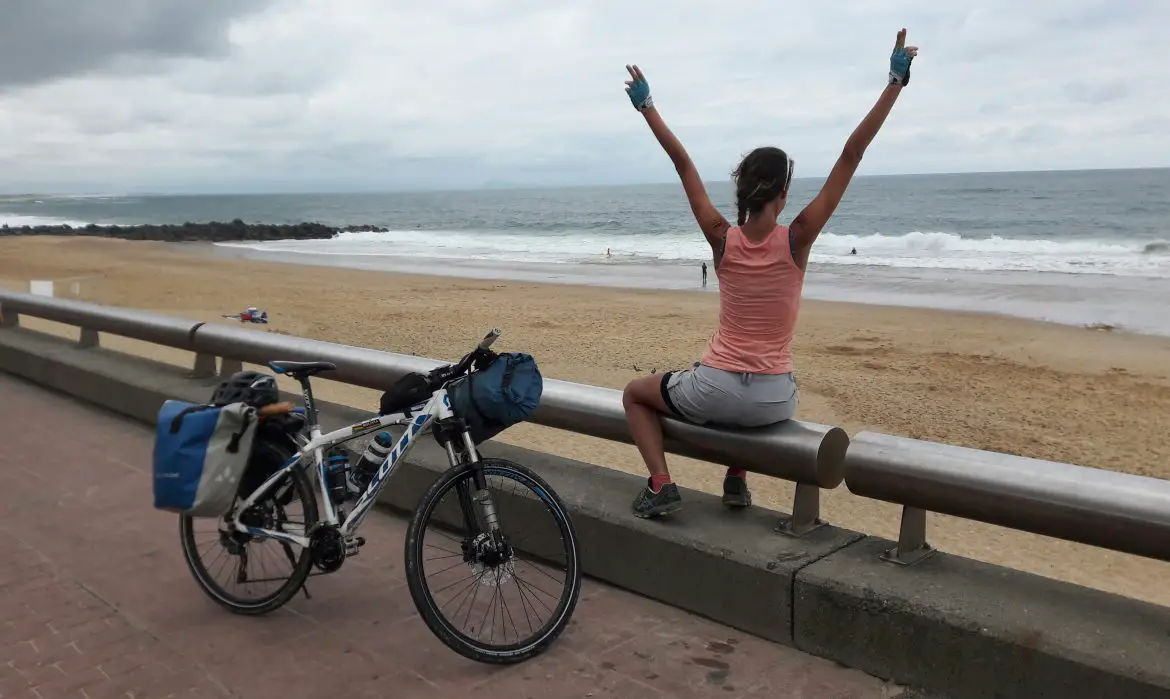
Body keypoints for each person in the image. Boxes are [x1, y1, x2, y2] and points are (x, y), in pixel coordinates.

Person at [620, 29, 918, 518]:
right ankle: (736, 476)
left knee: (635, 395)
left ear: (745, 191)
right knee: (740, 406)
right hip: (777, 398)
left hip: (714, 387)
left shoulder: (721, 238)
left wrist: (647, 105)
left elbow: (683, 164)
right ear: (781, 195)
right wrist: (894, 83)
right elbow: (851, 155)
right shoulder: (797, 239)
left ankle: (660, 483)